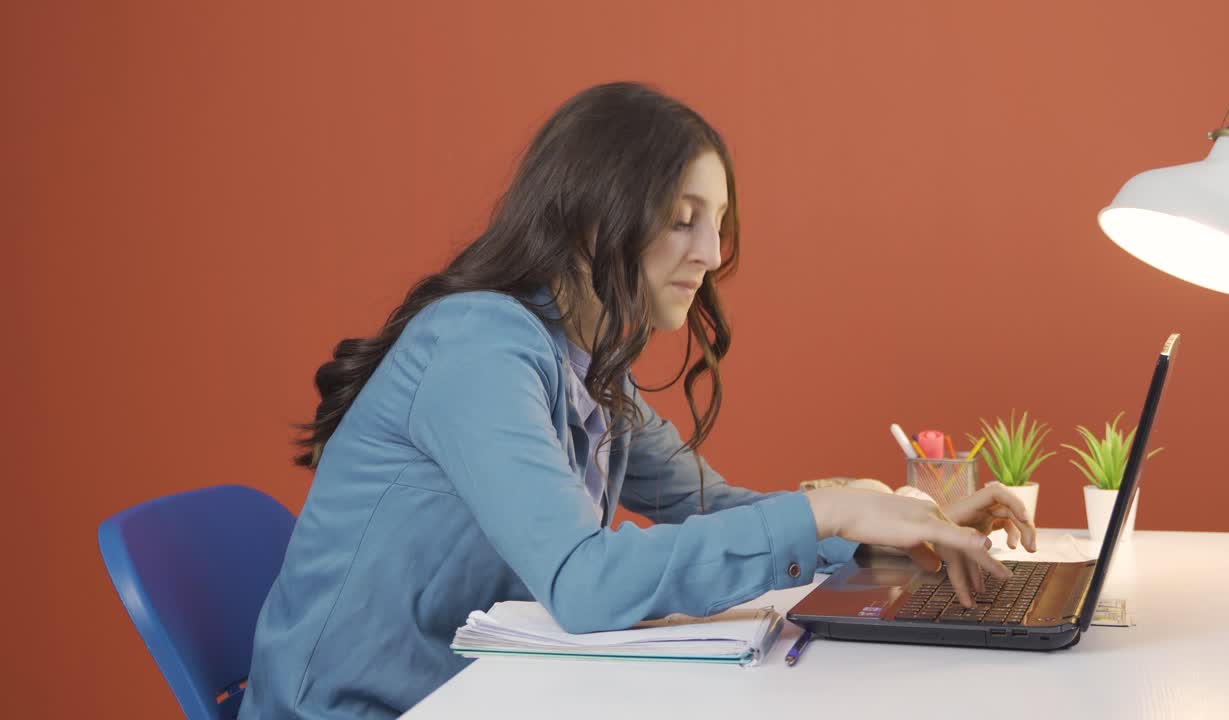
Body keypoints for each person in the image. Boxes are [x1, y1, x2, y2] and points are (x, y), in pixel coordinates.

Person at [239, 81, 1036, 720]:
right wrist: (828, 515)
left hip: (481, 695)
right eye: (683, 221)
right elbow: (583, 583)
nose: (712, 255)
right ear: (593, 218)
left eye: (718, 224)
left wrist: (889, 528)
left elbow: (712, 506)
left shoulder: (591, 370)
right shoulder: (480, 347)